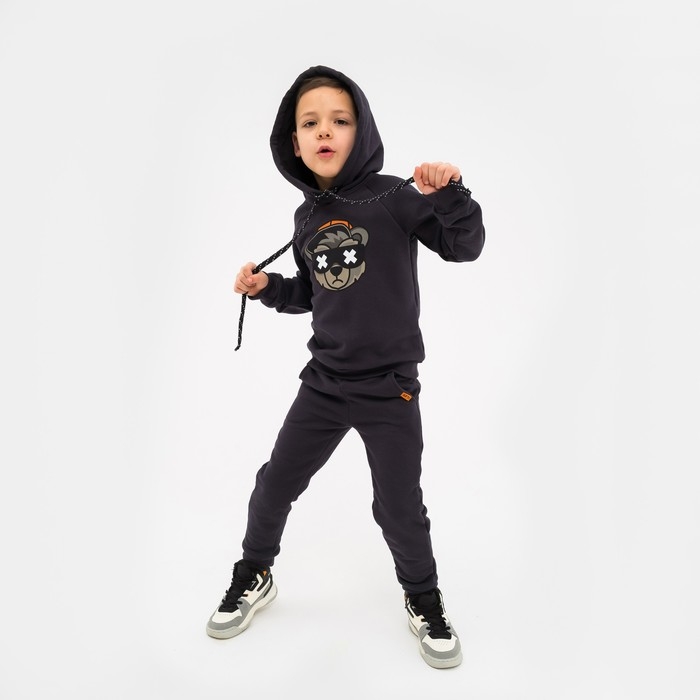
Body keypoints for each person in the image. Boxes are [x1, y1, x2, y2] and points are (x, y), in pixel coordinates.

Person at [206, 65, 485, 670]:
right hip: (325, 385)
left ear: (363, 130)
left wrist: (452, 193)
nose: (324, 131)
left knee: (398, 506)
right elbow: (314, 292)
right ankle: (254, 573)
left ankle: (423, 598)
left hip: (390, 389)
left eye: (340, 119)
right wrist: (267, 289)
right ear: (294, 140)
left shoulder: (395, 195)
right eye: (310, 123)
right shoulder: (306, 216)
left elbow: (464, 247)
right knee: (274, 483)